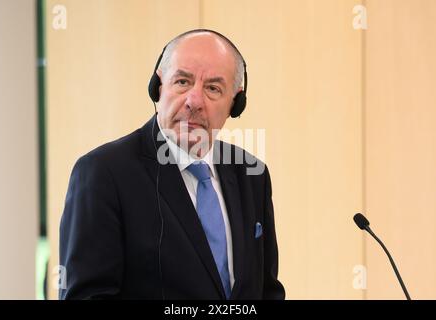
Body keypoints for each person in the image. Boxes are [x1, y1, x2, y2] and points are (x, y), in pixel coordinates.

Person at [59, 29, 285, 300]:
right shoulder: (103, 173)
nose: (194, 101)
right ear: (158, 86)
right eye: (182, 82)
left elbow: (267, 291)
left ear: (235, 104)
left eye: (213, 88)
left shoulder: (251, 174)